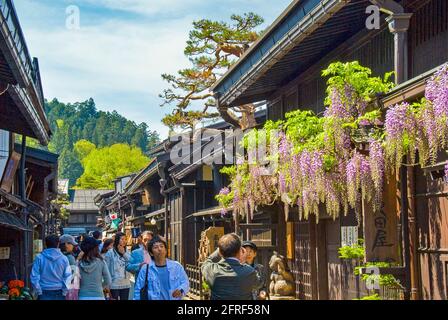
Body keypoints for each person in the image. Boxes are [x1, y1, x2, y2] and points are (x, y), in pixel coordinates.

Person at [201, 233, 260, 300]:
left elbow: (207, 262)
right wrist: (243, 262)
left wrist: (219, 250)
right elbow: (258, 284)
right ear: (240, 251)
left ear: (220, 252)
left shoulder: (212, 270)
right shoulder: (249, 272)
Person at [30, 235, 72, 300]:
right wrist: (64, 291)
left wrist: (39, 291)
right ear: (58, 244)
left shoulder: (39, 257)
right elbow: (68, 276)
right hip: (59, 291)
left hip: (44, 291)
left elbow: (34, 276)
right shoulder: (64, 259)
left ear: (45, 244)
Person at [104, 232, 131, 300]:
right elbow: (106, 269)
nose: (124, 241)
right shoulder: (110, 252)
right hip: (114, 283)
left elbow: (131, 263)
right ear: (117, 240)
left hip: (126, 282)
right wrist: (107, 284)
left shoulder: (127, 251)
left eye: (125, 239)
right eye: (122, 239)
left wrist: (124, 253)